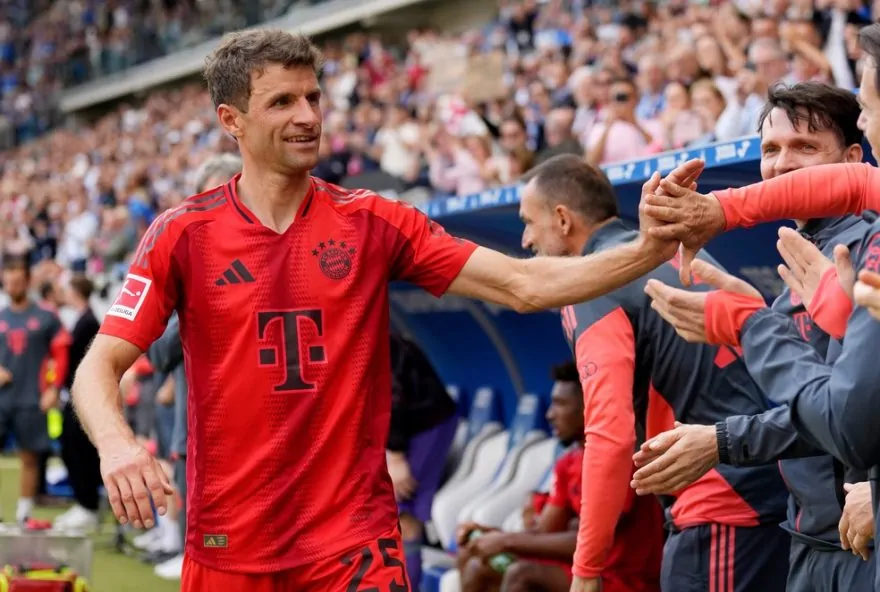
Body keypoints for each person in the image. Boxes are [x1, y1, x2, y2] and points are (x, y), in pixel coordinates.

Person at [70, 29, 690, 592]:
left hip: (352, 545)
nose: (307, 116)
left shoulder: (371, 221)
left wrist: (647, 250)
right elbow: (98, 366)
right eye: (282, 102)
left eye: (313, 98)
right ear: (231, 119)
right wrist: (118, 446)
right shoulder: (182, 234)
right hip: (229, 546)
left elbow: (522, 284)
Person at [634, 22, 880, 590]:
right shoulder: (804, 250)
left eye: (804, 148)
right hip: (814, 537)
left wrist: (722, 436)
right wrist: (759, 318)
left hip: (855, 546)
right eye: (771, 150)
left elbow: (845, 417)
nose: (783, 165)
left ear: (851, 157)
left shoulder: (856, 245)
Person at [518, 154, 787, 592]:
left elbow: (609, 433)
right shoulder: (673, 250)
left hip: (721, 502)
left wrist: (586, 570)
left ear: (563, 219)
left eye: (529, 222)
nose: (526, 239)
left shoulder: (591, 283)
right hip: (760, 487)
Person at [456, 361, 660, 592]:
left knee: (522, 574)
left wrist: (506, 542)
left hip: (624, 580)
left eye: (560, 404)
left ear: (591, 407)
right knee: (474, 561)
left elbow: (592, 542)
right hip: (581, 570)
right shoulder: (567, 464)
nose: (550, 414)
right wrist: (489, 536)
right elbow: (545, 532)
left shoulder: (620, 461)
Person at [147, 152, 244, 582]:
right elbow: (158, 355)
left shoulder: (280, 259)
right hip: (200, 433)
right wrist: (195, 308)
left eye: (229, 195)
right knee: (210, 546)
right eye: (210, 200)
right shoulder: (186, 267)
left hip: (264, 435)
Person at [0, 256, 70, 525]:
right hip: (2, 398)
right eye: (8, 281)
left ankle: (23, 515)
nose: (12, 286)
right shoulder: (1, 316)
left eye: (17, 281)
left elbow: (61, 353)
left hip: (31, 397)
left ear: (28, 281)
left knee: (29, 457)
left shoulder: (46, 317)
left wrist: (54, 388)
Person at [386, 331, 458, 589]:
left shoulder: (368, 336)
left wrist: (396, 456)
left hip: (424, 424)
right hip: (406, 425)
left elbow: (392, 392)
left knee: (403, 512)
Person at [54, 275, 102, 532]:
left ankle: (88, 505)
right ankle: (84, 502)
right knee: (70, 447)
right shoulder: (82, 319)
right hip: (74, 394)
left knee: (79, 448)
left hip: (81, 395)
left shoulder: (88, 322)